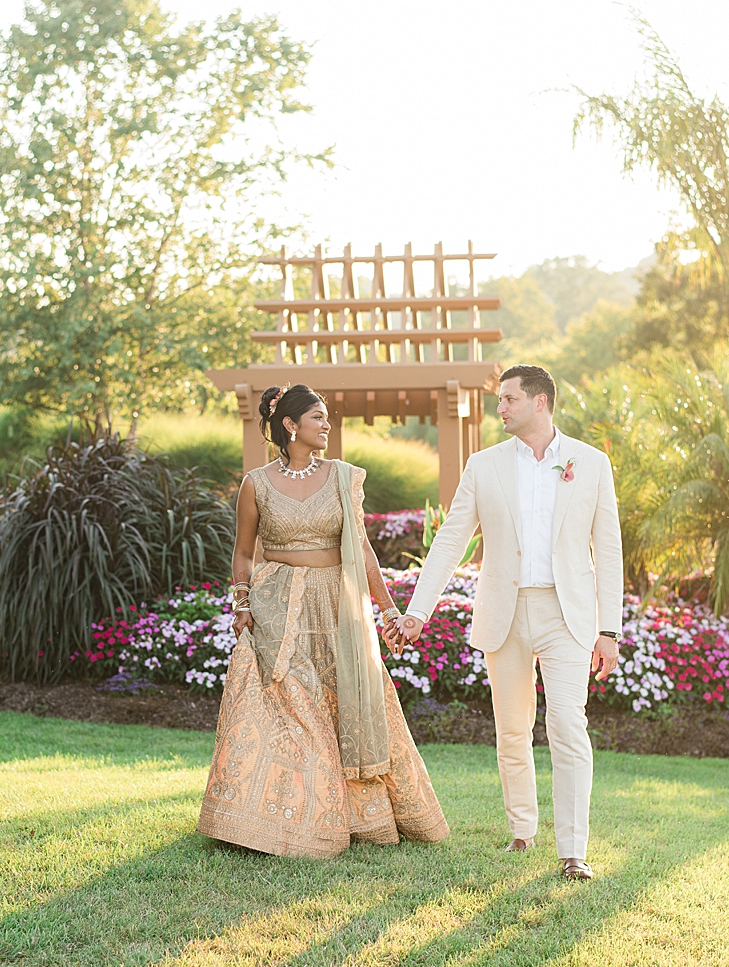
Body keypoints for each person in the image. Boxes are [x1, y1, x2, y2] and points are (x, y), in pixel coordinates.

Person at [198, 383, 450, 857]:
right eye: (317, 417)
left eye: (326, 417)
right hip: (277, 607)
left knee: (343, 702)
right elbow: (243, 551)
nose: (327, 425)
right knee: (296, 707)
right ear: (290, 425)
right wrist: (243, 605)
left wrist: (390, 609)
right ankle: (286, 820)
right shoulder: (256, 483)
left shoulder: (342, 477)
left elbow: (363, 550)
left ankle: (357, 816)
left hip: (337, 607)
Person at [396, 364, 621, 881]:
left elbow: (608, 550)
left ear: (540, 402)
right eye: (500, 400)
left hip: (569, 615)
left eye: (509, 399)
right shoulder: (484, 465)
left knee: (568, 723)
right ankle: (522, 831)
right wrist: (417, 611)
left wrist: (609, 630)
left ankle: (573, 851)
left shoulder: (590, 463)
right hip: (505, 612)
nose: (500, 408)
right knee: (512, 730)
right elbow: (451, 540)